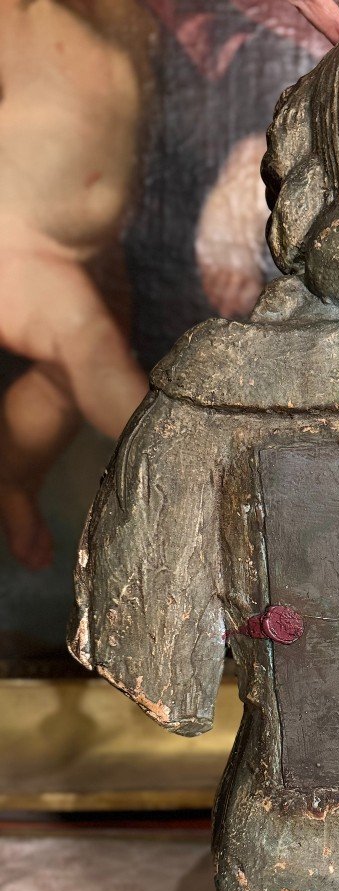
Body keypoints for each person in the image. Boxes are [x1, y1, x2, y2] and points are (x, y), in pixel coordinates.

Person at [0, 0, 152, 571]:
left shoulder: (119, 16)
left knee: (62, 388)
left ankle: (12, 485)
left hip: (83, 252)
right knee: (90, 350)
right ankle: (190, 477)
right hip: (14, 238)